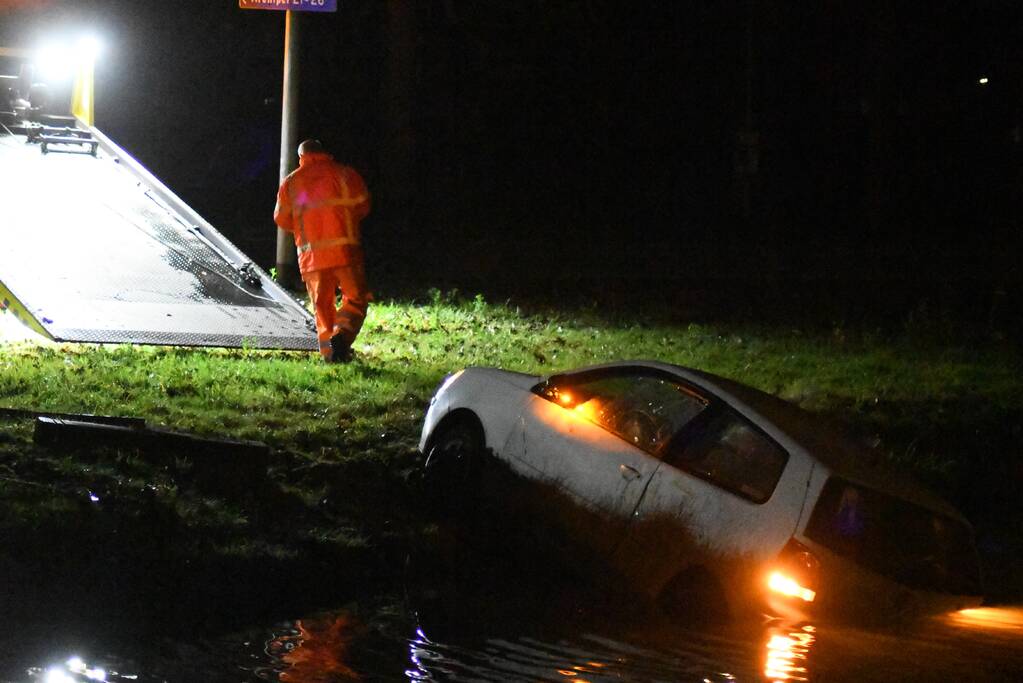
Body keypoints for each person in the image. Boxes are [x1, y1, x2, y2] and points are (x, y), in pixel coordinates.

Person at [274, 139, 371, 362]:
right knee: (356, 299)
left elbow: (281, 218)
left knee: (322, 308)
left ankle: (329, 353)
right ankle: (343, 336)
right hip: (346, 252)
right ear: (325, 152)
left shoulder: (291, 183)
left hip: (312, 257)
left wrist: (305, 228)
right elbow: (363, 205)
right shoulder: (346, 174)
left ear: (301, 157)